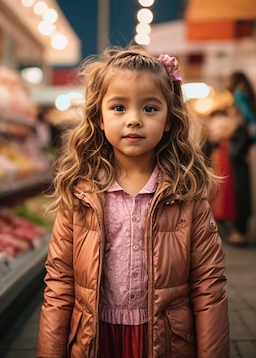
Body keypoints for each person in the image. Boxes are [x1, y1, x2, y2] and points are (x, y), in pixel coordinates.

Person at [36, 47, 230, 358]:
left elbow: (209, 287)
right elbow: (59, 285)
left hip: (166, 341)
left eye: (150, 109)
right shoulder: (81, 195)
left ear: (170, 119)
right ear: (98, 117)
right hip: (95, 339)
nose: (134, 120)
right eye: (118, 107)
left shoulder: (187, 196)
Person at [225, 71, 256, 246]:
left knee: (239, 189)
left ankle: (240, 231)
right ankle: (240, 229)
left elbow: (248, 119)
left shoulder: (239, 96)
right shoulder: (248, 95)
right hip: (243, 147)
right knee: (242, 188)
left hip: (238, 147)